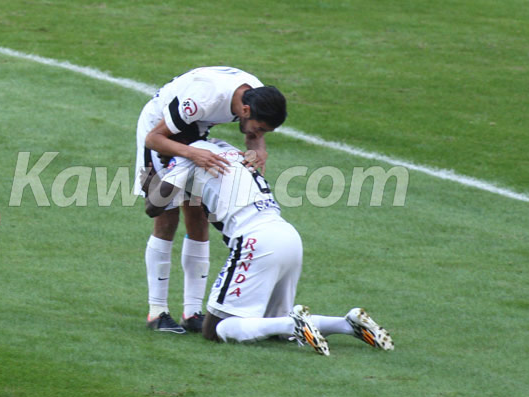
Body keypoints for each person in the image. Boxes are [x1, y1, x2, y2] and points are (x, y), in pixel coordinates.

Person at [143, 139, 394, 354]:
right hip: (287, 235)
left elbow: (154, 206)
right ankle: (348, 324)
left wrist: (152, 178)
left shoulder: (188, 155)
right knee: (272, 326)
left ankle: (294, 324)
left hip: (256, 240)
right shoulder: (223, 147)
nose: (159, 156)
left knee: (214, 329)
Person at [133, 66, 287, 334]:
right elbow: (154, 137)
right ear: (246, 111)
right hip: (160, 130)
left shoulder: (255, 95)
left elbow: (253, 135)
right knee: (165, 216)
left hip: (196, 131)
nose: (258, 132)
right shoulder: (205, 98)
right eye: (259, 128)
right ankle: (157, 312)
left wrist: (259, 150)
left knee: (198, 216)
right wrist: (192, 154)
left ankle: (192, 312)